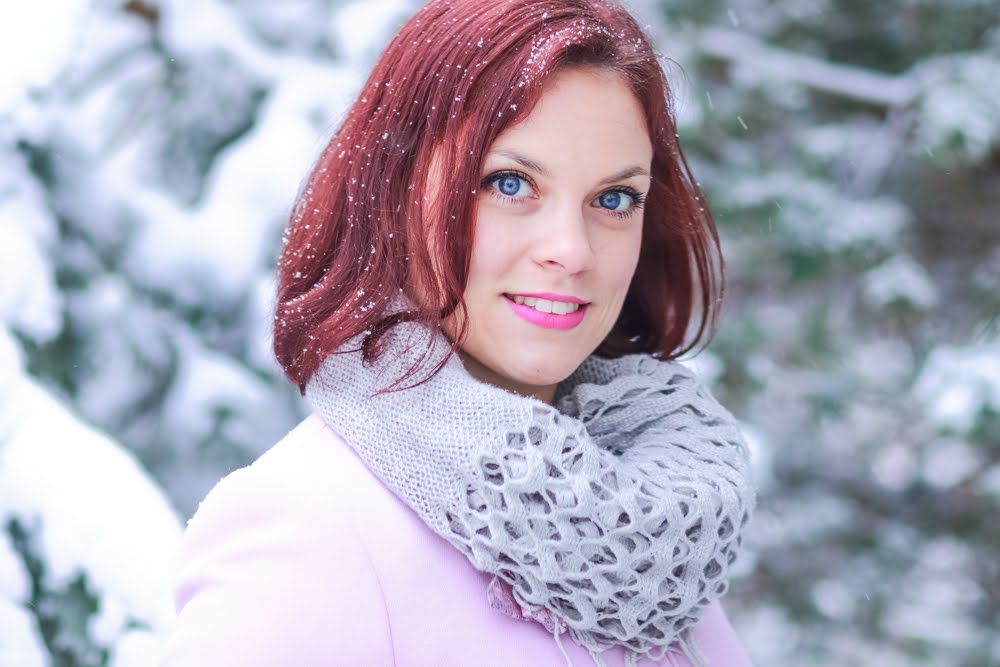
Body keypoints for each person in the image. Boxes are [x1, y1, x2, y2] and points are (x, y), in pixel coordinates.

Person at [162, 0, 756, 665]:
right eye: (510, 184)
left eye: (614, 199)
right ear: (395, 192)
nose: (572, 250)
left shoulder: (654, 534)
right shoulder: (310, 530)